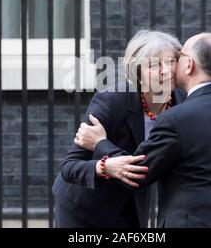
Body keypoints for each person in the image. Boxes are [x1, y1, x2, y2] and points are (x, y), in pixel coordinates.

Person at [76, 32, 211, 228]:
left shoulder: (176, 118)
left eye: (178, 58)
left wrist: (100, 143)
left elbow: (138, 174)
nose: (171, 67)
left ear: (189, 65)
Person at [52, 30, 186, 228]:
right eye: (154, 65)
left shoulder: (182, 102)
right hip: (84, 209)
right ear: (137, 72)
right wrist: (105, 167)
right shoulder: (112, 101)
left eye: (170, 62)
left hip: (133, 206)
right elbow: (69, 167)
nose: (165, 71)